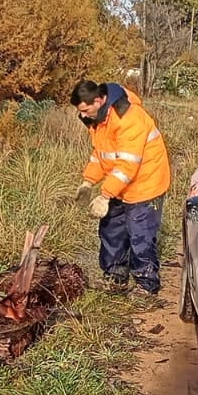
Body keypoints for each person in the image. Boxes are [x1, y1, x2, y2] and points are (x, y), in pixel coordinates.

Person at [71, 79, 171, 295]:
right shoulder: (97, 119)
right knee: (111, 230)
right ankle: (114, 278)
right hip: (119, 183)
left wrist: (105, 195)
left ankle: (146, 285)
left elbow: (127, 164)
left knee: (140, 234)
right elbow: (101, 155)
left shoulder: (129, 118)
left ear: (99, 100)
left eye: (86, 110)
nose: (84, 116)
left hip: (146, 183)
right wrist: (88, 181)